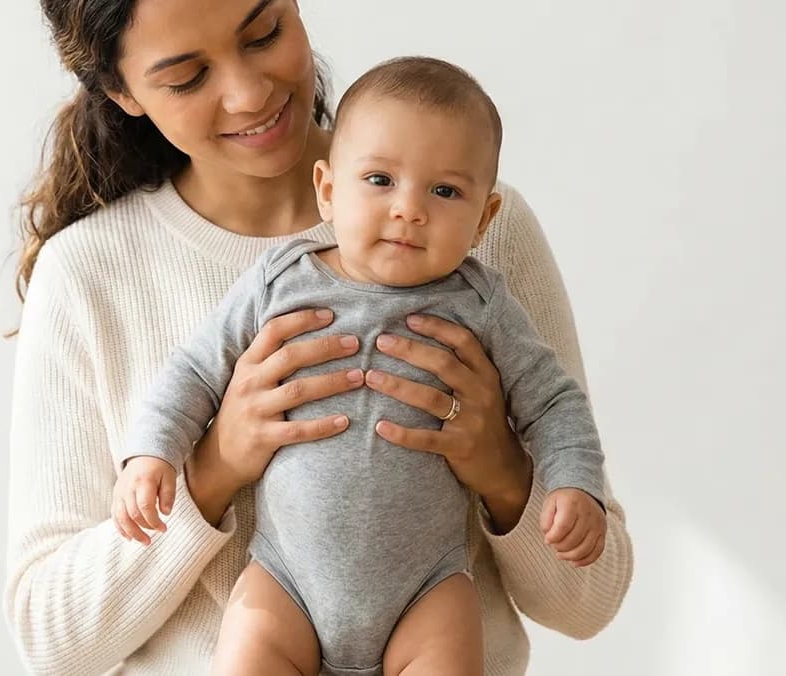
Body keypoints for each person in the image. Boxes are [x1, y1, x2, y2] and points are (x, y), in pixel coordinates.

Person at [4, 0, 633, 676]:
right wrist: (215, 465)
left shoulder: (475, 224)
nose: (249, 93)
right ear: (121, 93)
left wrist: (504, 473)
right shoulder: (91, 274)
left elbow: (592, 601)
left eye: (264, 32)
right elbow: (51, 639)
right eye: (187, 77)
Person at [112, 56, 611, 676]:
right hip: (285, 577)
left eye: (446, 191)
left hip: (427, 588)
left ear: (485, 220)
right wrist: (152, 454)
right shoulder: (280, 282)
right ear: (328, 190)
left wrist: (572, 482)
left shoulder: (482, 304)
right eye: (380, 180)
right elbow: (193, 372)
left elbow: (554, 402)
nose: (409, 209)